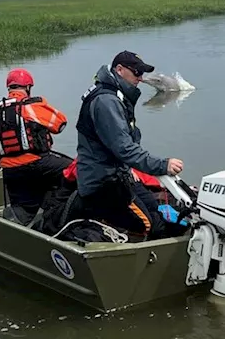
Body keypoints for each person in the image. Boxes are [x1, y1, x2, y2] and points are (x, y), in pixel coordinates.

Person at [70, 50, 184, 240]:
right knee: (150, 225)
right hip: (102, 183)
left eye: (142, 73)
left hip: (119, 176)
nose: (140, 78)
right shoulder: (106, 101)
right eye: (136, 72)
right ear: (120, 70)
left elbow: (125, 146)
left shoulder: (116, 97)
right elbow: (124, 148)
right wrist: (162, 165)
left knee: (159, 210)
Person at [0, 68, 71, 224]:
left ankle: (17, 218)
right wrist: (42, 104)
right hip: (38, 162)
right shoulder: (32, 106)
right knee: (75, 171)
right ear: (28, 87)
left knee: (23, 208)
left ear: (9, 87)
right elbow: (60, 123)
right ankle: (56, 210)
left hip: (10, 170)